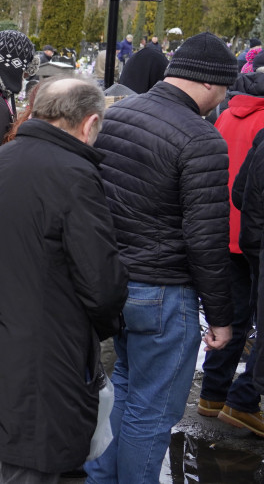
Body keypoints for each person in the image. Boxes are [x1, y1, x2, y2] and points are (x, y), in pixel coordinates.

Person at [0, 77, 128, 483]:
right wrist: (102, 325)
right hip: (49, 350)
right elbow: (101, 282)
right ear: (88, 124)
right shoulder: (74, 174)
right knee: (38, 464)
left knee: (24, 459)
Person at [86, 32, 238, 484]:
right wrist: (222, 317)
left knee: (127, 390)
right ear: (211, 84)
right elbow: (205, 238)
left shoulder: (119, 113)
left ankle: (101, 479)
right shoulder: (201, 138)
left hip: (116, 283)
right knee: (152, 413)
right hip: (163, 292)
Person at [195, 61, 264, 435]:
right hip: (254, 235)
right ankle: (240, 400)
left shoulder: (227, 114)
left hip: (225, 227)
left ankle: (212, 396)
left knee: (231, 317)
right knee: (250, 319)